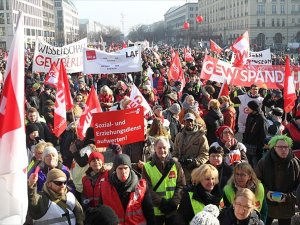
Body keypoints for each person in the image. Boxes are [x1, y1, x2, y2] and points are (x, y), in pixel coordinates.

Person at [255, 135, 300, 225]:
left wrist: (287, 197)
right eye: (280, 147)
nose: (283, 149)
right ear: (274, 148)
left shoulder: (295, 163)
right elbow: (256, 181)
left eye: (286, 147)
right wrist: (267, 193)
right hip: (267, 203)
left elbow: (299, 187)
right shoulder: (263, 162)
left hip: (286, 206)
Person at [100, 154, 156, 225]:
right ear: (115, 169)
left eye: (126, 168)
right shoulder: (105, 187)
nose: (123, 172)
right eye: (120, 168)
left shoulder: (142, 186)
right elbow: (101, 212)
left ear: (130, 169)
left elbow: (149, 211)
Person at [142, 137, 186, 225]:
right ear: (154, 149)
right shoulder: (147, 167)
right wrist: (161, 203)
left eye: (164, 147)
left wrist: (174, 202)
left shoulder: (176, 165)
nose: (162, 150)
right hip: (156, 211)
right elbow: (147, 189)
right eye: (159, 148)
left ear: (168, 148)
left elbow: (181, 185)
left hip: (173, 209)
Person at [173, 112, 209, 183]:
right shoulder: (179, 136)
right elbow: (175, 152)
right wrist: (177, 160)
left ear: (195, 122)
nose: (189, 123)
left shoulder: (201, 137)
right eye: (187, 121)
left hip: (195, 172)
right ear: (184, 122)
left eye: (191, 121)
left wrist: (195, 162)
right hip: (181, 171)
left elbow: (205, 154)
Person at [243, 100, 268, 167]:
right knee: (248, 163)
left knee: (255, 164)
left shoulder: (261, 118)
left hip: (256, 147)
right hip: (247, 144)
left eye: (249, 107)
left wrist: (261, 145)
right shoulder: (250, 115)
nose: (247, 108)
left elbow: (263, 133)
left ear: (253, 108)